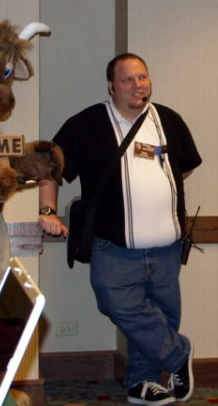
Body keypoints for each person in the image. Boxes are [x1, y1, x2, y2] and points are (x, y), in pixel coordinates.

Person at [39, 53, 202, 405]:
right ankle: (178, 356)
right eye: (128, 79)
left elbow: (183, 168)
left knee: (162, 314)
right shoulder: (87, 123)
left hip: (167, 247)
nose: (137, 85)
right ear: (111, 85)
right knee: (114, 300)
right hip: (113, 245)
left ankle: (142, 383)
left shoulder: (168, 121)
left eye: (143, 77)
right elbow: (48, 168)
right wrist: (47, 211)